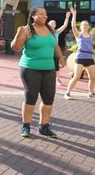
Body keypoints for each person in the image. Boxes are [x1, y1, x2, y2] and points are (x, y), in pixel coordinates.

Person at [11, 7, 64, 138]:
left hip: (49, 68)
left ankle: (44, 126)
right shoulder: (26, 30)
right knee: (31, 97)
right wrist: (18, 35)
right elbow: (16, 48)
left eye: (45, 14)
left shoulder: (50, 29)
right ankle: (26, 125)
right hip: (30, 68)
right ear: (33, 16)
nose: (44, 16)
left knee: (48, 98)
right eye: (40, 14)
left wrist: (60, 57)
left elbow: (55, 45)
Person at [64, 7, 95, 100]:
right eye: (83, 25)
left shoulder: (91, 34)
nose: (85, 26)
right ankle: (67, 93)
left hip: (89, 57)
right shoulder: (78, 35)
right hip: (80, 57)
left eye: (86, 25)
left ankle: (90, 93)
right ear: (81, 27)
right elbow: (73, 26)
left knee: (93, 77)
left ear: (89, 26)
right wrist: (74, 15)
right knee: (76, 76)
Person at [48, 11, 71, 85]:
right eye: (51, 23)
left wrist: (67, 17)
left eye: (54, 23)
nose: (52, 25)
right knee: (47, 65)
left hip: (55, 51)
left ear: (55, 25)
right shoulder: (45, 31)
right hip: (46, 51)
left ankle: (57, 79)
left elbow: (64, 25)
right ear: (48, 24)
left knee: (56, 66)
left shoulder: (56, 32)